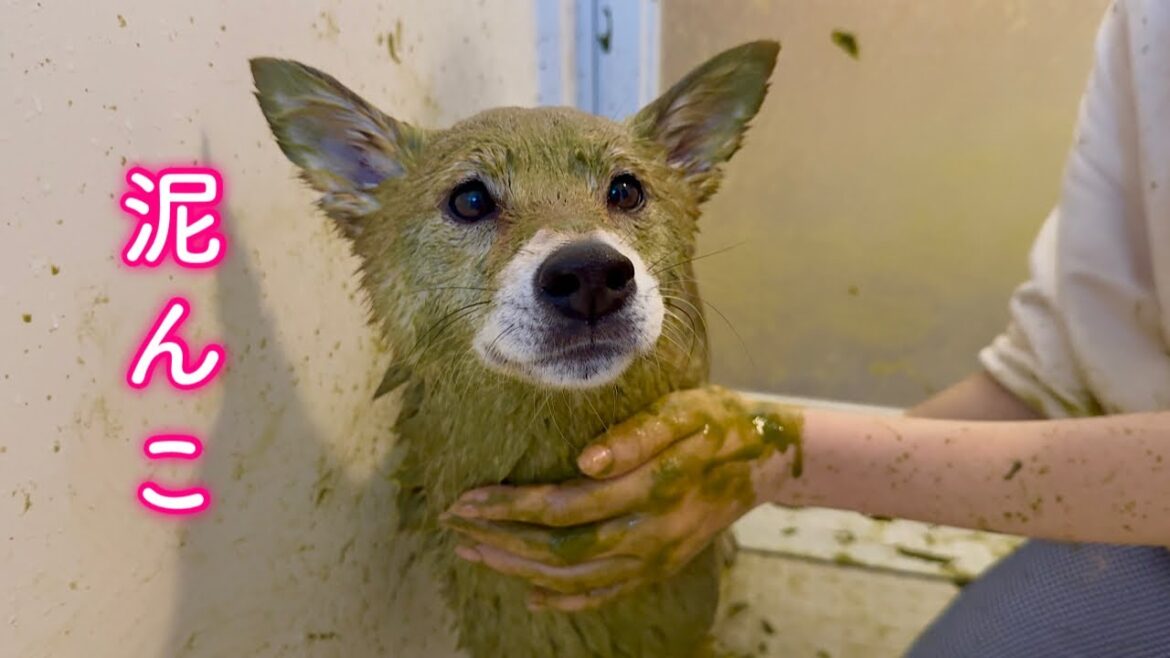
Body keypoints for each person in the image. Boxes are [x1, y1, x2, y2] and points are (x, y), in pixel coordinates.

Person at [442, 1, 1170, 654]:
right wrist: (761, 470)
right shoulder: (1138, 28)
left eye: (625, 194)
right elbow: (1056, 374)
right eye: (474, 205)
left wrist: (779, 455)